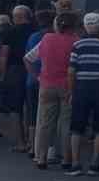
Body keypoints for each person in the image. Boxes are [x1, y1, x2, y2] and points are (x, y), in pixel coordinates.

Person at [66, 13, 99, 176]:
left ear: (84, 26)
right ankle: (94, 164)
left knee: (77, 127)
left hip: (81, 87)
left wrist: (71, 91)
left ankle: (75, 164)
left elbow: (71, 70)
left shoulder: (77, 45)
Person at [25, 12, 79, 170]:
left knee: (44, 123)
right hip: (67, 86)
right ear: (73, 26)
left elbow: (28, 58)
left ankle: (41, 158)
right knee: (66, 124)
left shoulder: (47, 39)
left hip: (47, 84)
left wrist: (37, 77)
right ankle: (66, 159)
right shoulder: (76, 42)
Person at [0, 5, 34, 152]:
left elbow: (4, 55)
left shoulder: (8, 32)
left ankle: (20, 142)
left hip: (14, 70)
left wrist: (3, 74)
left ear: (16, 17)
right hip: (32, 70)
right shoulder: (35, 31)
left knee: (15, 108)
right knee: (31, 106)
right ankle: (32, 142)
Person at [24, 9, 56, 163]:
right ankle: (49, 149)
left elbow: (27, 56)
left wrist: (33, 75)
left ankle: (32, 146)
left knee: (32, 113)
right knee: (50, 117)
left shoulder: (34, 36)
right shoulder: (54, 37)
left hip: (33, 79)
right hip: (50, 80)